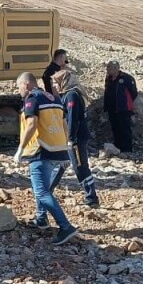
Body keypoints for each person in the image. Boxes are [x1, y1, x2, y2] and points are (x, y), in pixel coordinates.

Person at [14, 72, 77, 245]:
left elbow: (32, 125)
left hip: (41, 150)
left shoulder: (32, 99)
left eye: (18, 85)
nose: (18, 89)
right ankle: (41, 219)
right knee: (45, 189)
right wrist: (66, 146)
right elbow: (64, 124)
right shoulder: (54, 98)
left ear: (26, 85)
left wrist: (20, 148)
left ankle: (65, 227)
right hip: (59, 150)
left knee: (41, 191)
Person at [50, 69, 99, 207]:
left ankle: (91, 197)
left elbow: (72, 119)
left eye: (55, 82)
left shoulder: (71, 96)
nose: (54, 85)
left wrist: (71, 139)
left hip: (75, 138)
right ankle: (47, 190)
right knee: (60, 162)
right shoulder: (68, 95)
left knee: (80, 166)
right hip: (68, 137)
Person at [103, 61, 138, 152]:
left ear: (116, 68)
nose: (107, 70)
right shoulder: (109, 79)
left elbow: (133, 93)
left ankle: (127, 149)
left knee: (124, 128)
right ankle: (117, 147)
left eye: (109, 68)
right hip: (112, 108)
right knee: (115, 128)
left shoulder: (126, 78)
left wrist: (125, 102)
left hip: (123, 108)